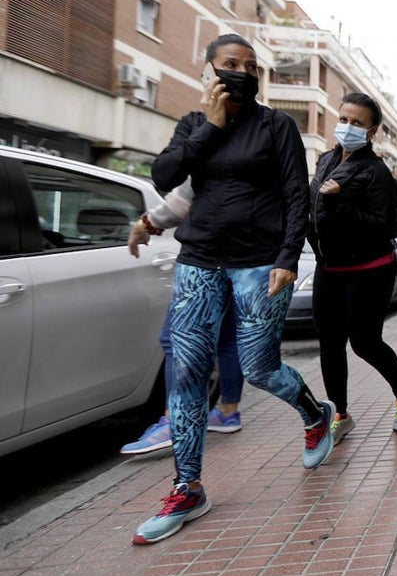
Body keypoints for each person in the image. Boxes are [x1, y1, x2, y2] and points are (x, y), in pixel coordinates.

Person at [132, 33, 334, 545]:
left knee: (258, 368)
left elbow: (295, 195)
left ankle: (315, 414)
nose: (241, 71)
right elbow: (165, 175)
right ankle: (188, 486)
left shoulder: (277, 126)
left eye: (249, 65)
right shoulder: (194, 125)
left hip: (260, 265)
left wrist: (288, 257)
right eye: (229, 64)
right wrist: (213, 126)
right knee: (187, 372)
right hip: (199, 261)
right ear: (209, 72)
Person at [309, 92, 397, 443]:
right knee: (329, 344)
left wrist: (338, 204)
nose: (347, 127)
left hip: (370, 269)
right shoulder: (325, 160)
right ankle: (340, 413)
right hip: (328, 267)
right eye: (344, 119)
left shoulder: (376, 172)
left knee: (364, 342)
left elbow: (383, 226)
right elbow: (311, 212)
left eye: (357, 123)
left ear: (372, 131)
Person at [120, 182, 245, 455]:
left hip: (209, 258)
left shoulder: (214, 144)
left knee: (175, 339)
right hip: (238, 255)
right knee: (226, 339)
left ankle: (176, 421)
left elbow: (183, 197)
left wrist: (147, 223)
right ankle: (227, 412)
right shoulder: (257, 145)